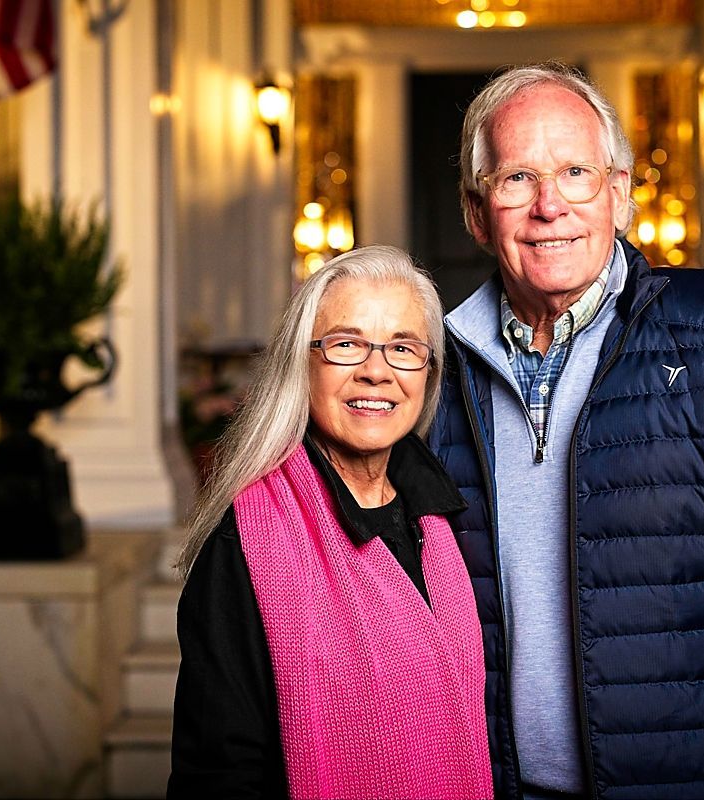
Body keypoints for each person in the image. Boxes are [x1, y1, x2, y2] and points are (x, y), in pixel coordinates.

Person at [427, 62, 704, 799]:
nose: (549, 206)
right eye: (516, 179)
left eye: (575, 171)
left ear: (620, 195)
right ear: (478, 214)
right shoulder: (434, 373)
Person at [168, 245, 493, 799]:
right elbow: (218, 773)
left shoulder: (445, 520)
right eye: (347, 344)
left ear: (428, 374)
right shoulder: (244, 543)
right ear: (303, 363)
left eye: (403, 348)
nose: (376, 371)